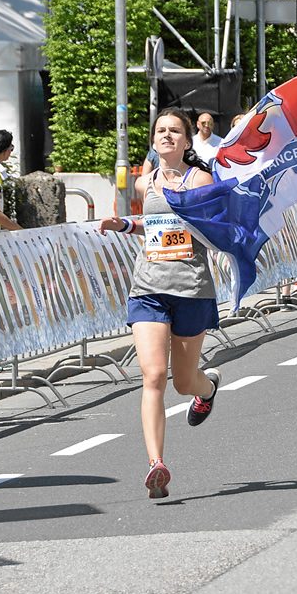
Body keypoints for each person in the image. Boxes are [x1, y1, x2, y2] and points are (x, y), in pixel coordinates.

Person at [98, 107, 221, 499]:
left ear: (187, 141)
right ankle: (156, 465)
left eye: (174, 131)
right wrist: (124, 225)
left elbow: (212, 230)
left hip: (190, 288)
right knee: (153, 376)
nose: (166, 136)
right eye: (161, 131)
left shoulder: (200, 179)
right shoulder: (144, 183)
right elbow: (152, 228)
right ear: (153, 140)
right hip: (148, 287)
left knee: (183, 382)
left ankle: (208, 389)